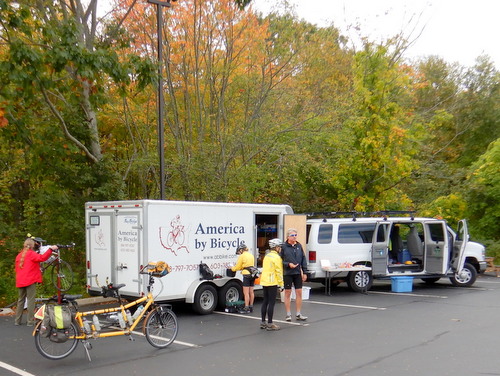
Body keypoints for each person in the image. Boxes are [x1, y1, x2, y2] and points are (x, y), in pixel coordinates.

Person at [14, 237, 58, 326]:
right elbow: (42, 258)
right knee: (30, 300)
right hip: (30, 280)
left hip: (20, 281)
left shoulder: (19, 255)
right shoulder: (31, 254)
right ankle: (30, 321)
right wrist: (50, 249)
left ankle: (17, 321)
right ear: (32, 245)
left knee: (21, 300)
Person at [281, 228, 308, 321]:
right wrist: (288, 264)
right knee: (288, 292)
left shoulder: (299, 245)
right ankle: (288, 314)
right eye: (292, 235)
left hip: (297, 272)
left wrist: (304, 272)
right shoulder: (283, 247)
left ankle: (298, 313)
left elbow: (303, 259)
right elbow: (280, 260)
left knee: (299, 292)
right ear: (288, 237)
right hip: (288, 273)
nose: (294, 237)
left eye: (295, 235)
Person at [260, 238, 284, 331]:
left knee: (265, 301)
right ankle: (270, 323)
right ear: (276, 247)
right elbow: (279, 271)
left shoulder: (267, 255)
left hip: (264, 281)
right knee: (271, 303)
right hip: (272, 282)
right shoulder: (277, 257)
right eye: (279, 247)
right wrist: (281, 285)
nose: (280, 248)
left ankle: (263, 322)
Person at [231, 242, 255, 313]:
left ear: (241, 250)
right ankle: (251, 306)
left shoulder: (242, 256)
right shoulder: (251, 255)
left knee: (246, 292)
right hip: (252, 274)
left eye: (239, 251)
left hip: (246, 275)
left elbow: (238, 267)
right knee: (251, 292)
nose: (239, 252)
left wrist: (232, 268)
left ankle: (246, 307)